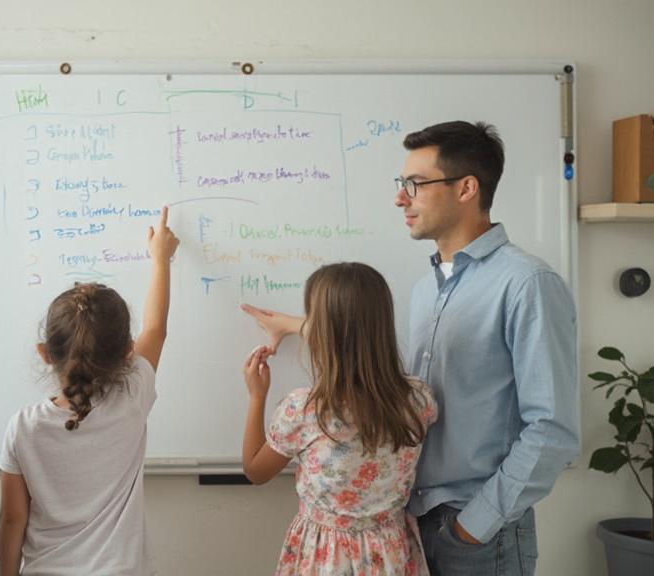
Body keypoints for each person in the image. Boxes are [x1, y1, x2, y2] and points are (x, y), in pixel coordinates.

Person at [245, 120, 580, 575]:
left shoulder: (526, 284)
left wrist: (474, 525)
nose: (400, 198)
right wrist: (297, 324)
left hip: (478, 532)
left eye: (415, 184)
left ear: (466, 188)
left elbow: (552, 429)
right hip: (408, 529)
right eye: (403, 184)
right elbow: (365, 350)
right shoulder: (428, 290)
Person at [0, 207, 179, 576]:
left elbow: (12, 521)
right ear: (127, 353)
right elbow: (156, 328)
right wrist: (161, 258)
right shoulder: (131, 401)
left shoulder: (22, 428)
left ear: (45, 354)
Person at [241, 262, 436, 575]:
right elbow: (353, 332)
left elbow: (255, 470)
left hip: (325, 555)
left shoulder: (306, 410)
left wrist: (256, 396)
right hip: (391, 553)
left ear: (320, 331)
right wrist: (292, 324)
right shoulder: (418, 399)